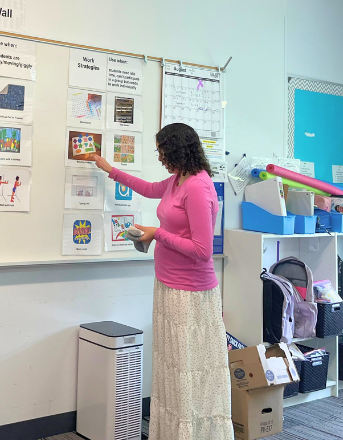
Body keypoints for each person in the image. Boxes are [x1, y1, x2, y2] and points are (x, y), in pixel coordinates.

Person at [88, 123, 232, 440]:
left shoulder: (197, 187)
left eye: (162, 151)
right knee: (172, 370)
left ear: (177, 150)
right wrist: (109, 169)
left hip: (190, 295)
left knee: (188, 372)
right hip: (168, 286)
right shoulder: (178, 179)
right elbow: (149, 188)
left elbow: (203, 251)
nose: (160, 157)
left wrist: (158, 234)